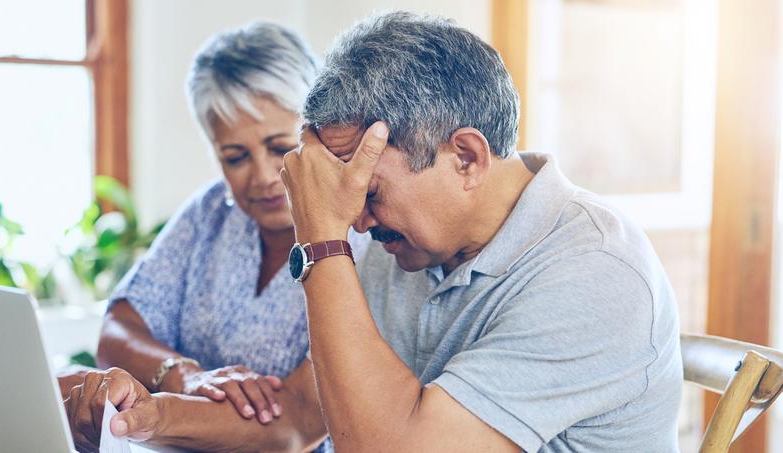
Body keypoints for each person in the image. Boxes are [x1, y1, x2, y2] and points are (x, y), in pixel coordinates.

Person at [65, 11, 682, 452]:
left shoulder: (595, 272)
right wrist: (146, 419)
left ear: (465, 158)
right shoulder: (409, 245)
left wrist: (321, 243)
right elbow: (301, 418)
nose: (356, 220)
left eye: (368, 192)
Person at [59, 21, 366, 452]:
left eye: (279, 147)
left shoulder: (362, 232)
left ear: (318, 131)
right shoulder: (210, 212)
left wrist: (159, 411)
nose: (262, 176)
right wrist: (186, 376)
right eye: (235, 157)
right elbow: (117, 332)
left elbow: (296, 422)